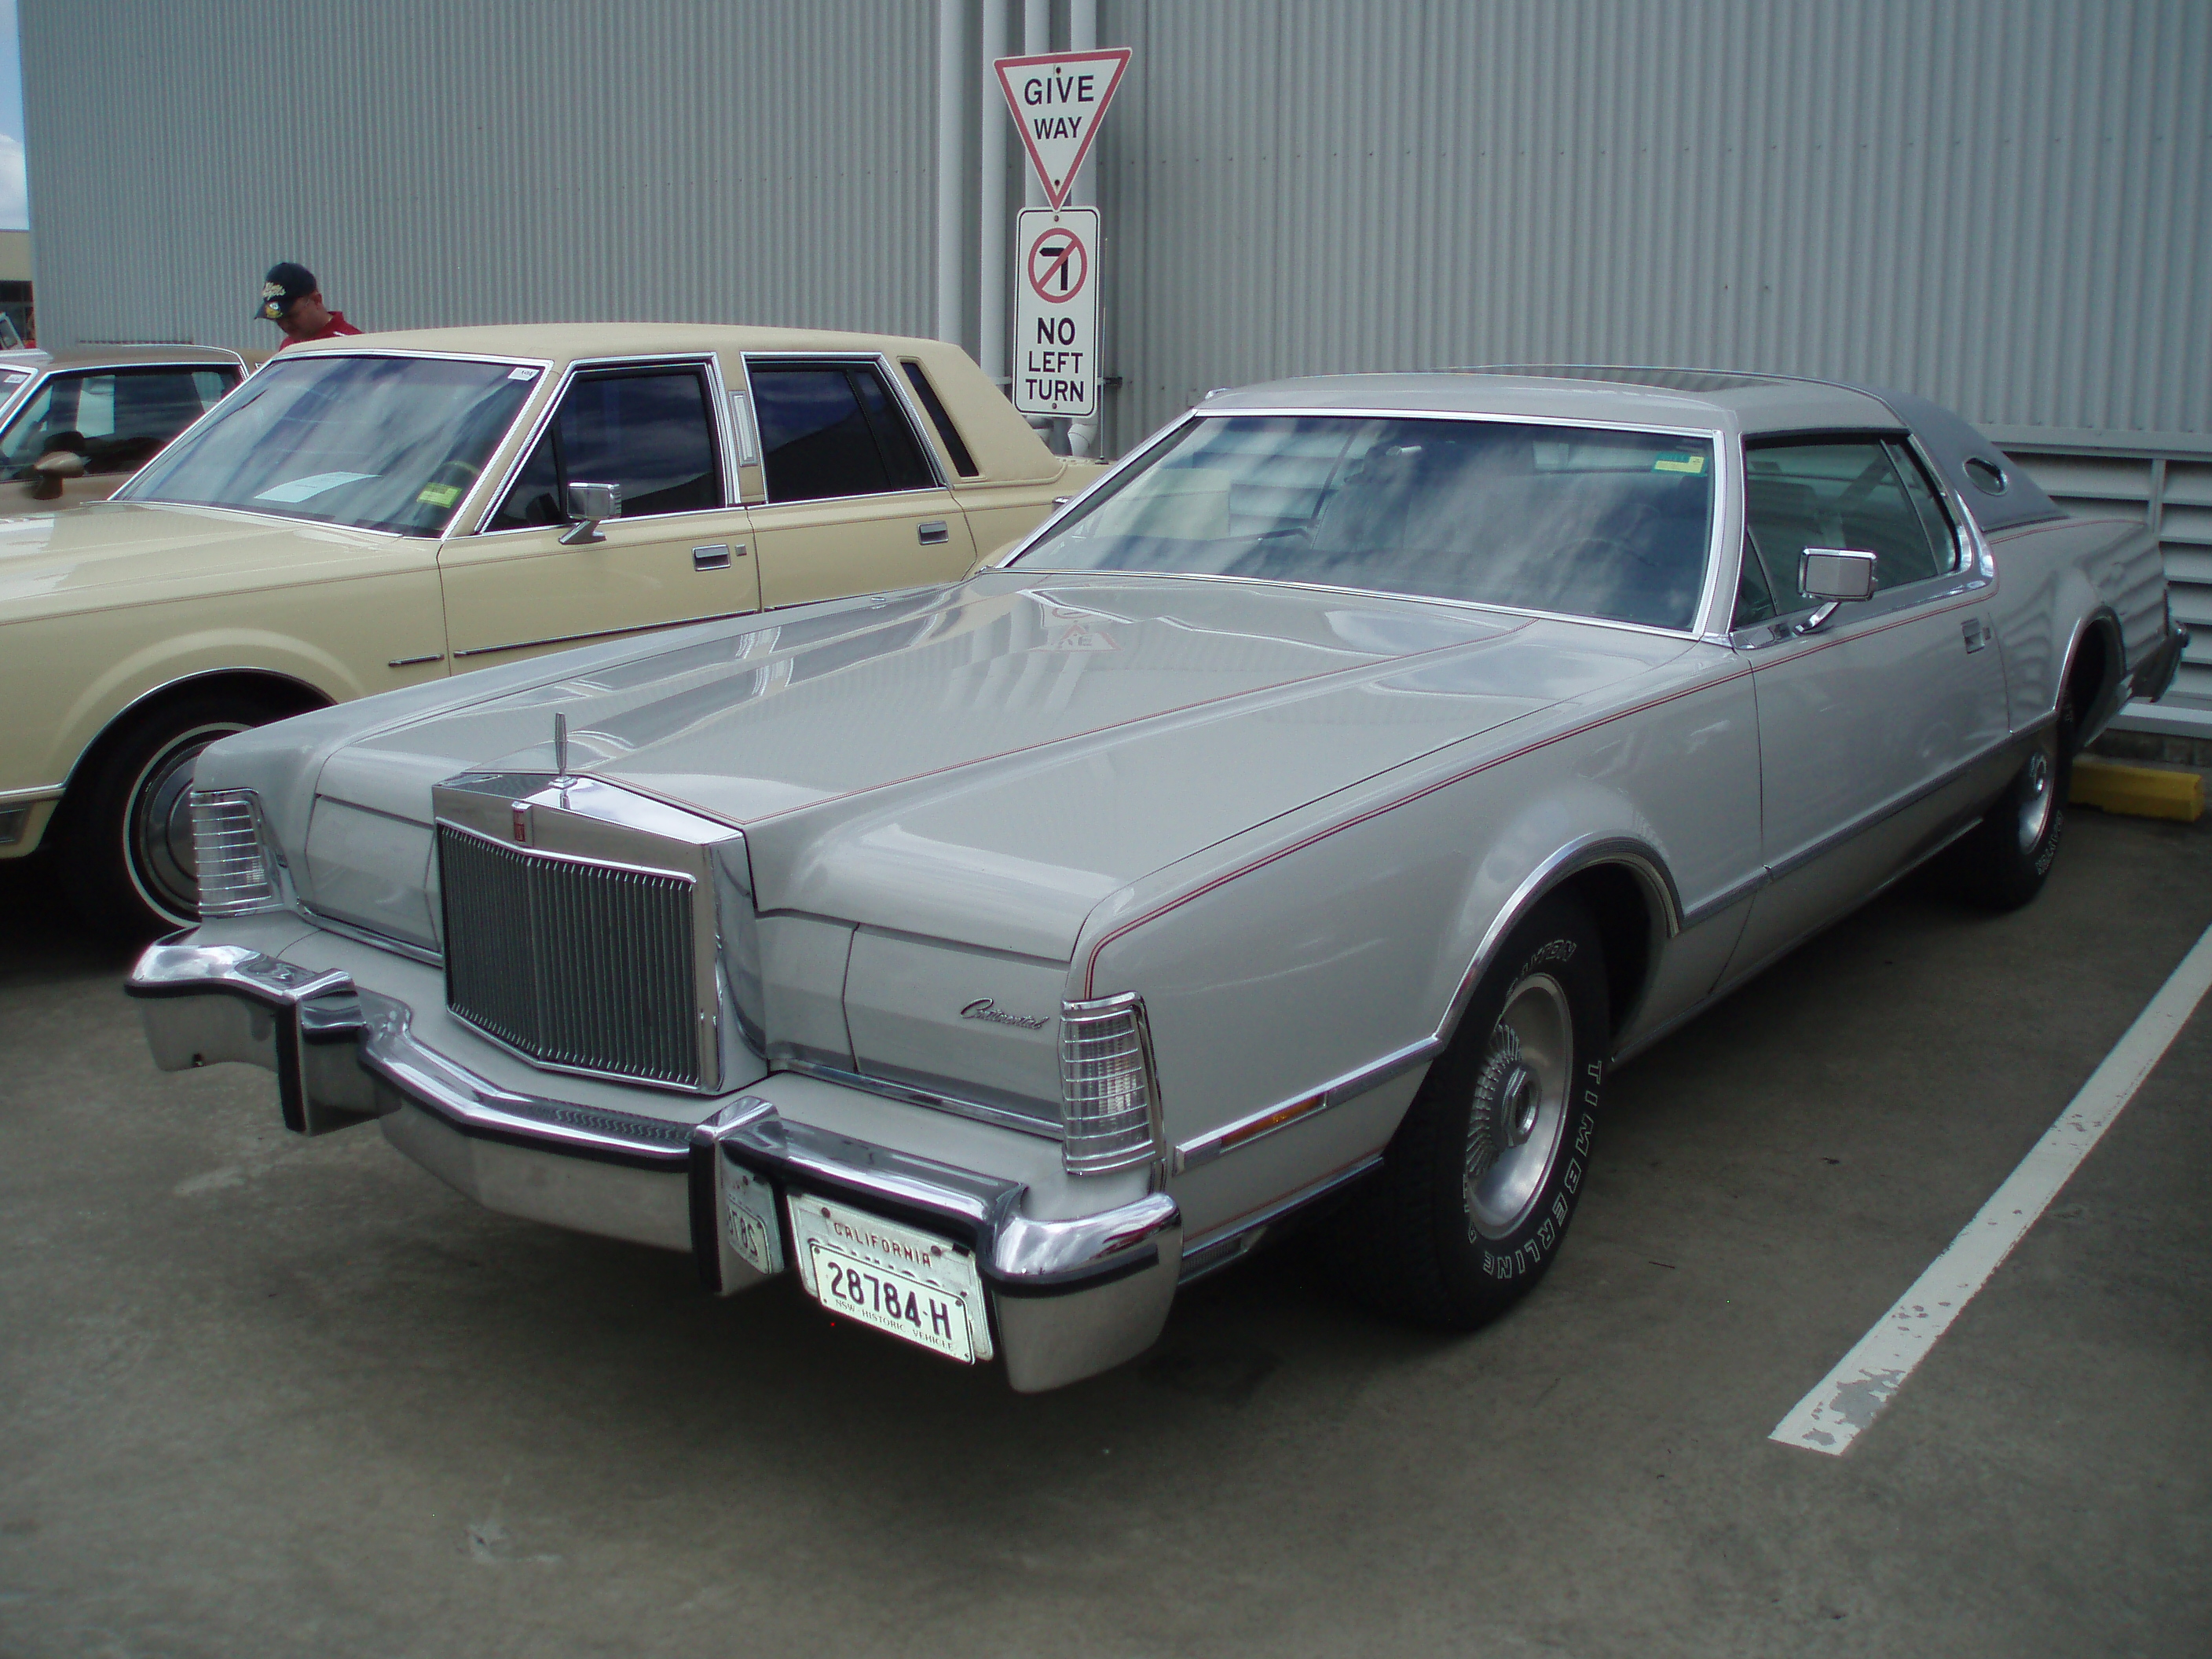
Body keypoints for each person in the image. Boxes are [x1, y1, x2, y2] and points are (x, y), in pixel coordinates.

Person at [257, 262, 361, 349]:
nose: (285, 325)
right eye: (278, 319)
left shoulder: (352, 346)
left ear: (316, 300)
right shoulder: (288, 346)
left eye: (291, 316)